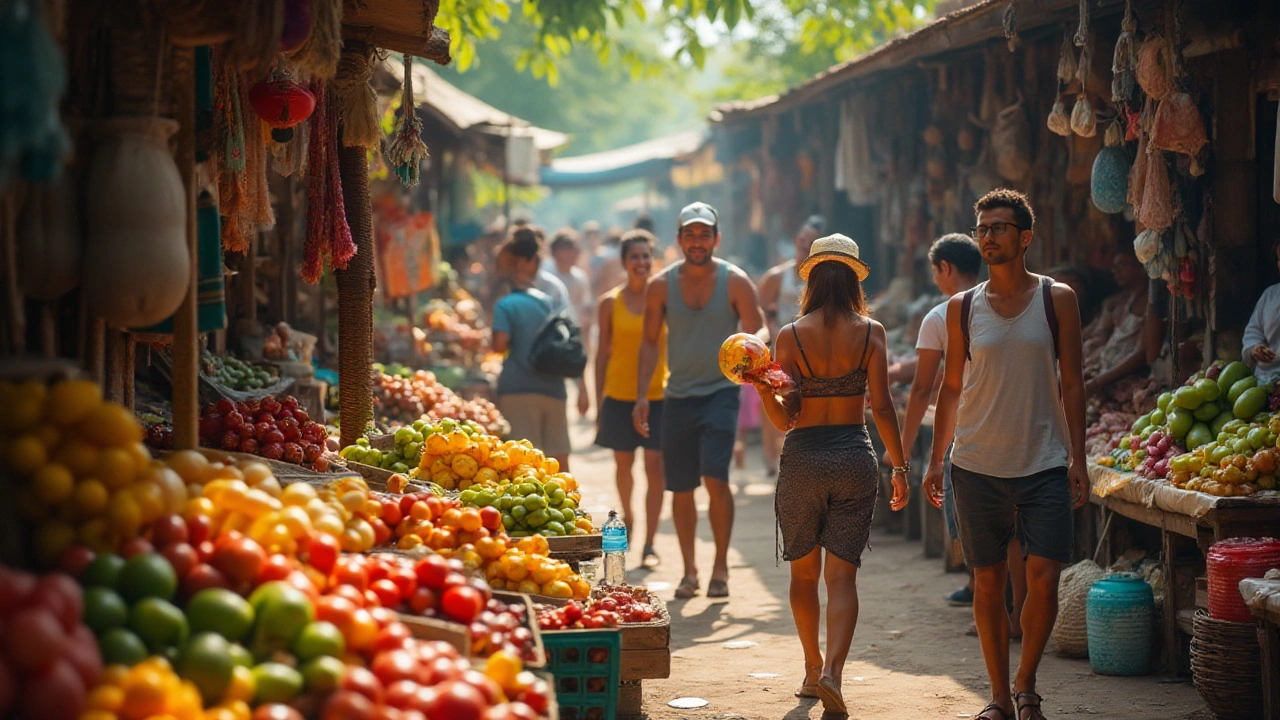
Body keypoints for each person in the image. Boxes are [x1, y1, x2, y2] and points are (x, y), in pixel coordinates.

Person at [923, 189, 1089, 720]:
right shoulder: (961, 307)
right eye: (983, 229)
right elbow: (950, 390)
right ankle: (998, 695)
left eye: (999, 228)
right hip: (975, 462)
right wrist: (934, 459)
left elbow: (1073, 384)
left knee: (1043, 578)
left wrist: (1078, 459)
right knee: (989, 581)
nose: (989, 237)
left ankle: (1027, 682)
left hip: (1043, 460)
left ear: (1025, 238)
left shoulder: (1056, 299)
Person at [752, 233, 910, 716]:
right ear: (854, 279)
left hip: (802, 459)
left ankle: (810, 665)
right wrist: (899, 465)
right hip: (853, 458)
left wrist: (760, 388)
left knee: (804, 574)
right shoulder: (873, 333)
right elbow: (881, 406)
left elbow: (785, 420)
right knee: (843, 579)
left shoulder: (790, 335)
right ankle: (833, 674)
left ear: (813, 278)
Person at [633, 201, 766, 600]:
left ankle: (720, 566)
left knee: (716, 477)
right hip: (677, 397)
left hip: (721, 394)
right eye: (689, 234)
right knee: (682, 487)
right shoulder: (661, 285)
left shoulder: (735, 281)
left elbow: (758, 324)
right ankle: (690, 571)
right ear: (678, 240)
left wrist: (754, 343)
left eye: (704, 234)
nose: (696, 241)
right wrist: (642, 396)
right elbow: (650, 343)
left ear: (716, 238)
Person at [594, 229, 667, 569]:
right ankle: (630, 517)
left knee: (656, 467)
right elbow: (602, 354)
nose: (640, 262)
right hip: (619, 396)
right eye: (633, 257)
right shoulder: (609, 303)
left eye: (645, 256)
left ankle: (650, 541)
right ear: (624, 262)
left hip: (658, 396)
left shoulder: (664, 300)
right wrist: (597, 402)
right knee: (624, 466)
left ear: (653, 260)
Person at [491, 227, 577, 471]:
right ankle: (568, 507)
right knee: (559, 462)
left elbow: (499, 346)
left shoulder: (505, 304)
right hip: (554, 389)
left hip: (517, 390)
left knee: (523, 465)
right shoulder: (551, 301)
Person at [756, 215, 826, 475]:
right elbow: (760, 309)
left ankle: (796, 455)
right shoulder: (778, 276)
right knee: (770, 398)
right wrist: (770, 330)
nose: (806, 248)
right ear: (796, 241)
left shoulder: (822, 278)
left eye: (812, 244)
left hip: (810, 350)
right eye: (803, 242)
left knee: (801, 402)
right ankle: (769, 458)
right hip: (778, 347)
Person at [1082, 250, 1162, 397]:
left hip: (1126, 379)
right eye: (1114, 267)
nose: (1116, 271)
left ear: (1141, 267)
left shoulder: (1150, 302)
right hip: (1107, 377)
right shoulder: (1120, 301)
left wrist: (1097, 382)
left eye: (1123, 265)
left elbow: (1142, 352)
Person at [1242, 239, 1280, 382]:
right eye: (1279, 258)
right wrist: (1255, 348)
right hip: (1265, 380)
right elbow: (1253, 331)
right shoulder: (1270, 295)